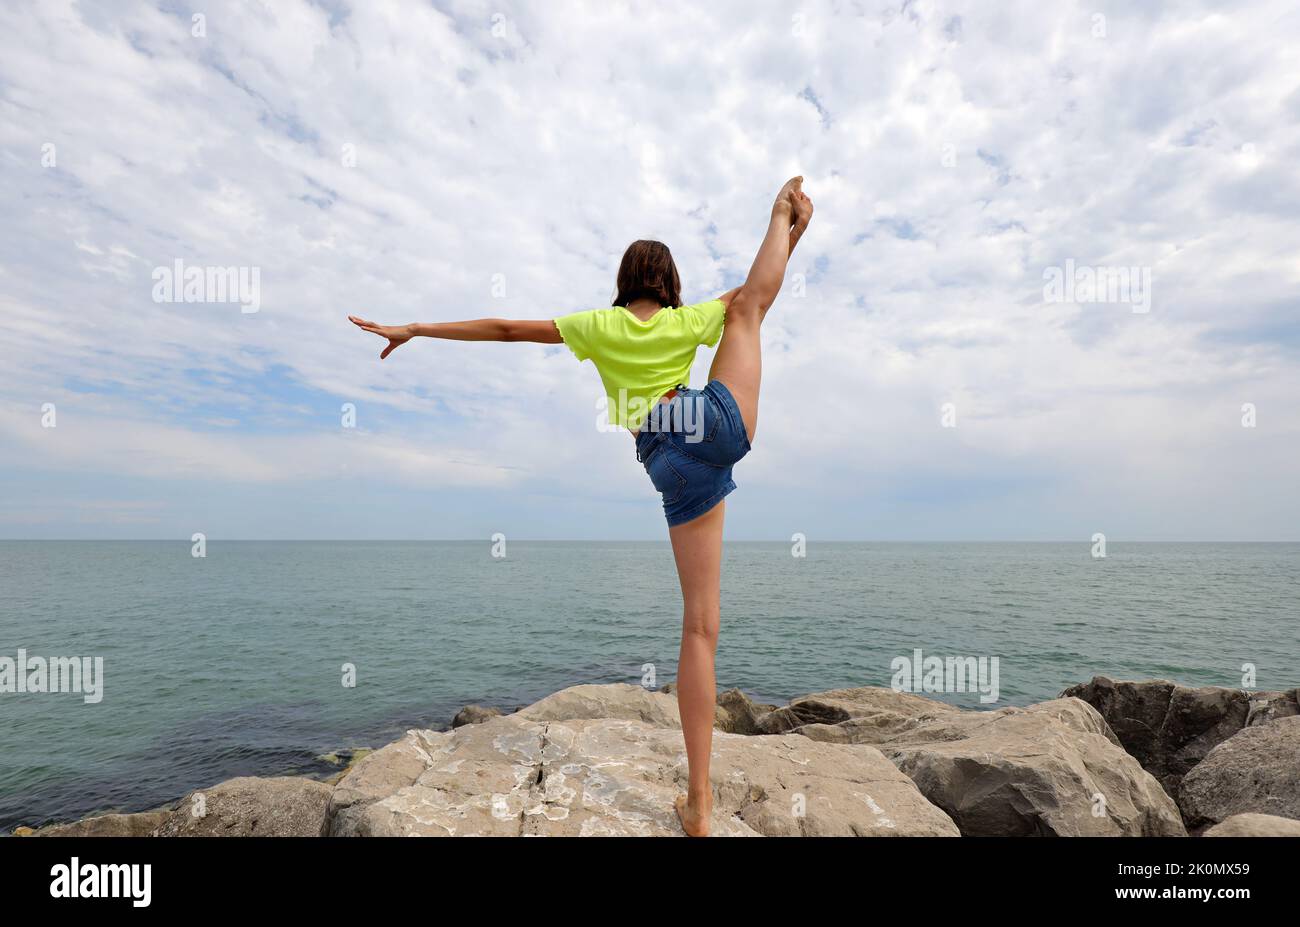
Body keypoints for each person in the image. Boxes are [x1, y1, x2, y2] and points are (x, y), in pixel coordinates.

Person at [349, 176, 813, 835]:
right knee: (746, 307)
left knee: (699, 628)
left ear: (624, 282)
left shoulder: (598, 326)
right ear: (670, 282)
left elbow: (508, 328)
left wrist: (419, 328)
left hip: (668, 460)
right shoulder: (689, 319)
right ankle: (777, 211)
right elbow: (756, 293)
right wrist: (789, 229)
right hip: (716, 424)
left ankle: (701, 805)